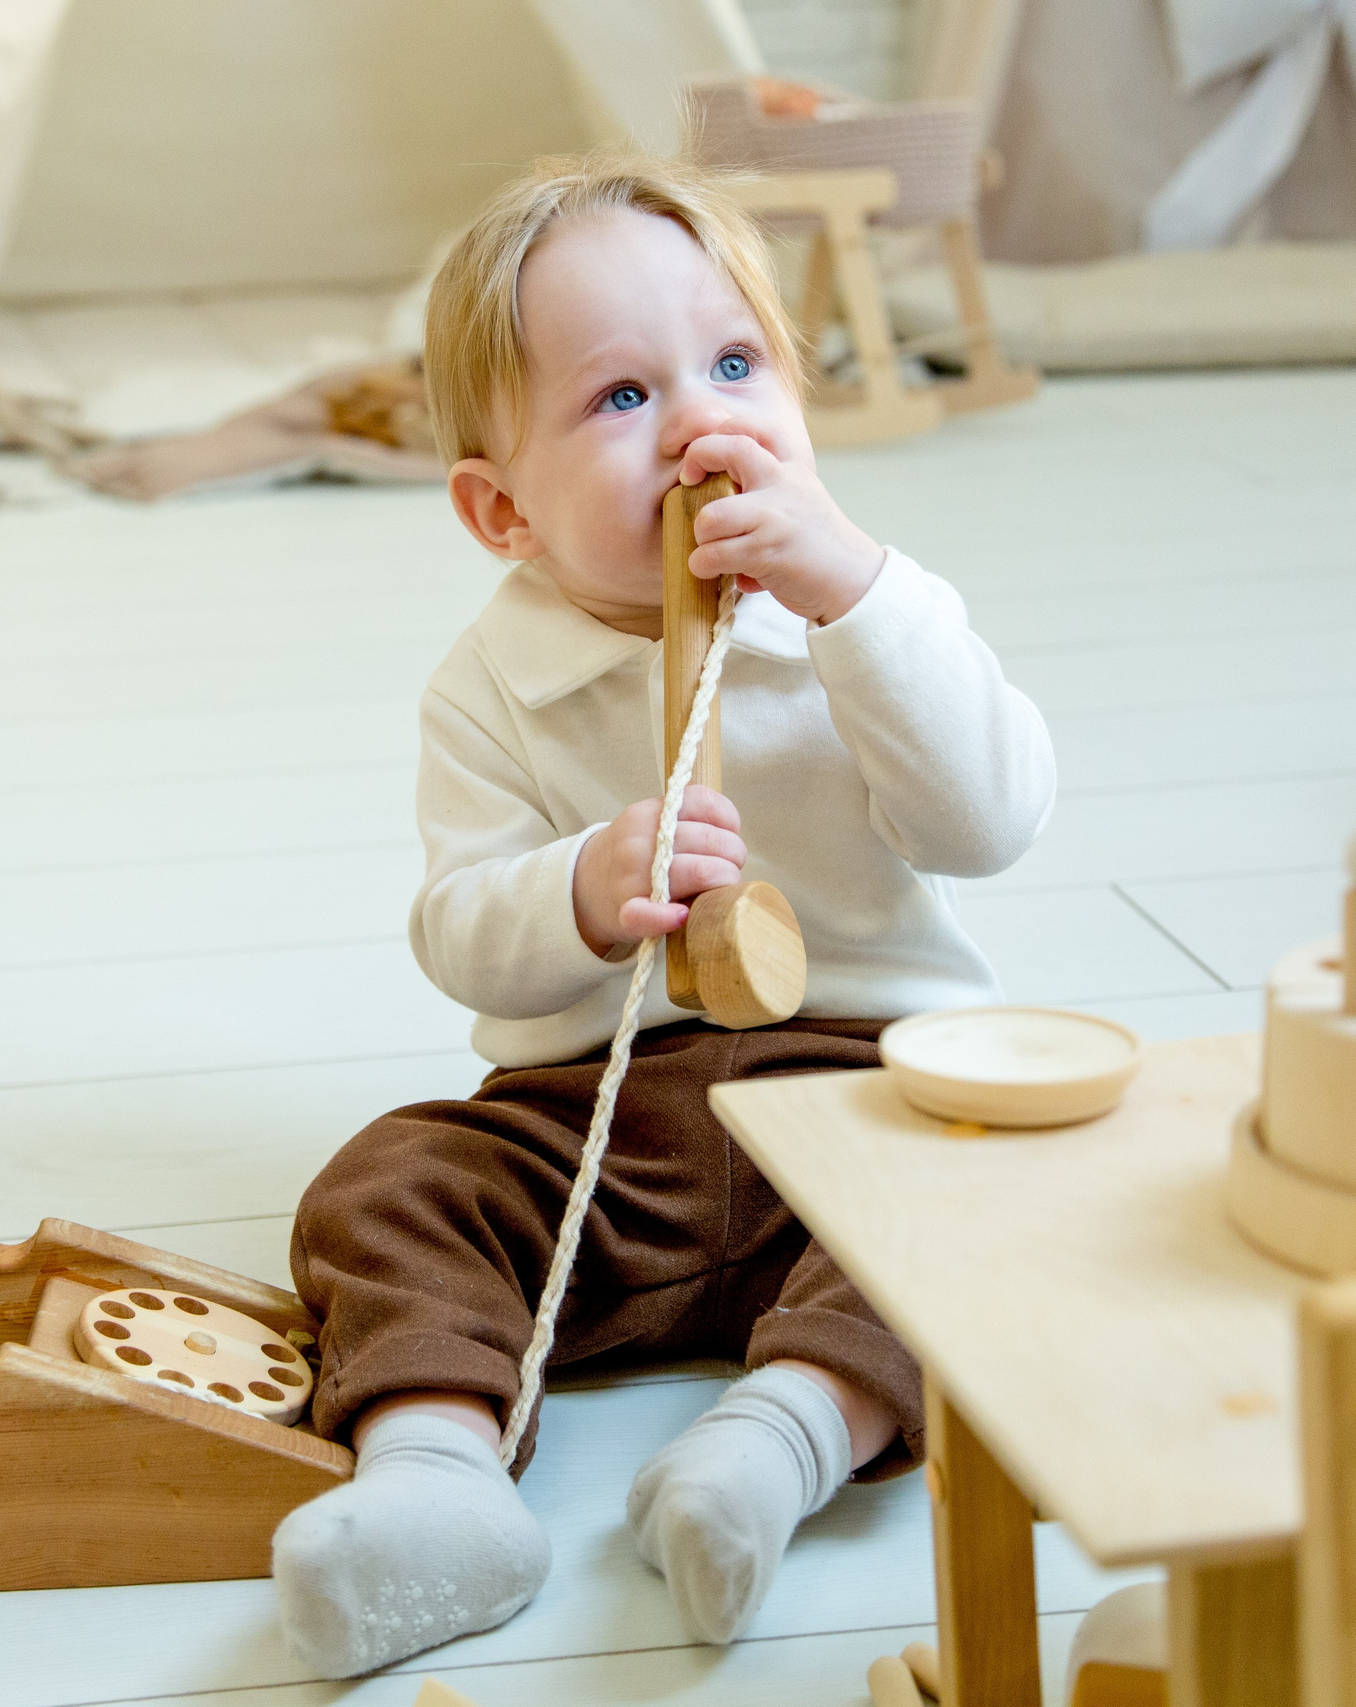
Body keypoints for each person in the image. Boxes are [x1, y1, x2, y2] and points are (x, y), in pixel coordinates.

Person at [272, 150, 1056, 1678]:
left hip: (861, 1092)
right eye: (623, 398)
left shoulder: (874, 617)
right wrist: (575, 887)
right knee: (389, 1183)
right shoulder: (490, 684)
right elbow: (456, 927)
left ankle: (775, 1445)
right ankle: (434, 1480)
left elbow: (990, 823)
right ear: (502, 512)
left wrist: (860, 604)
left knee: (981, 1210)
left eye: (738, 364)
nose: (705, 419)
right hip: (597, 1122)